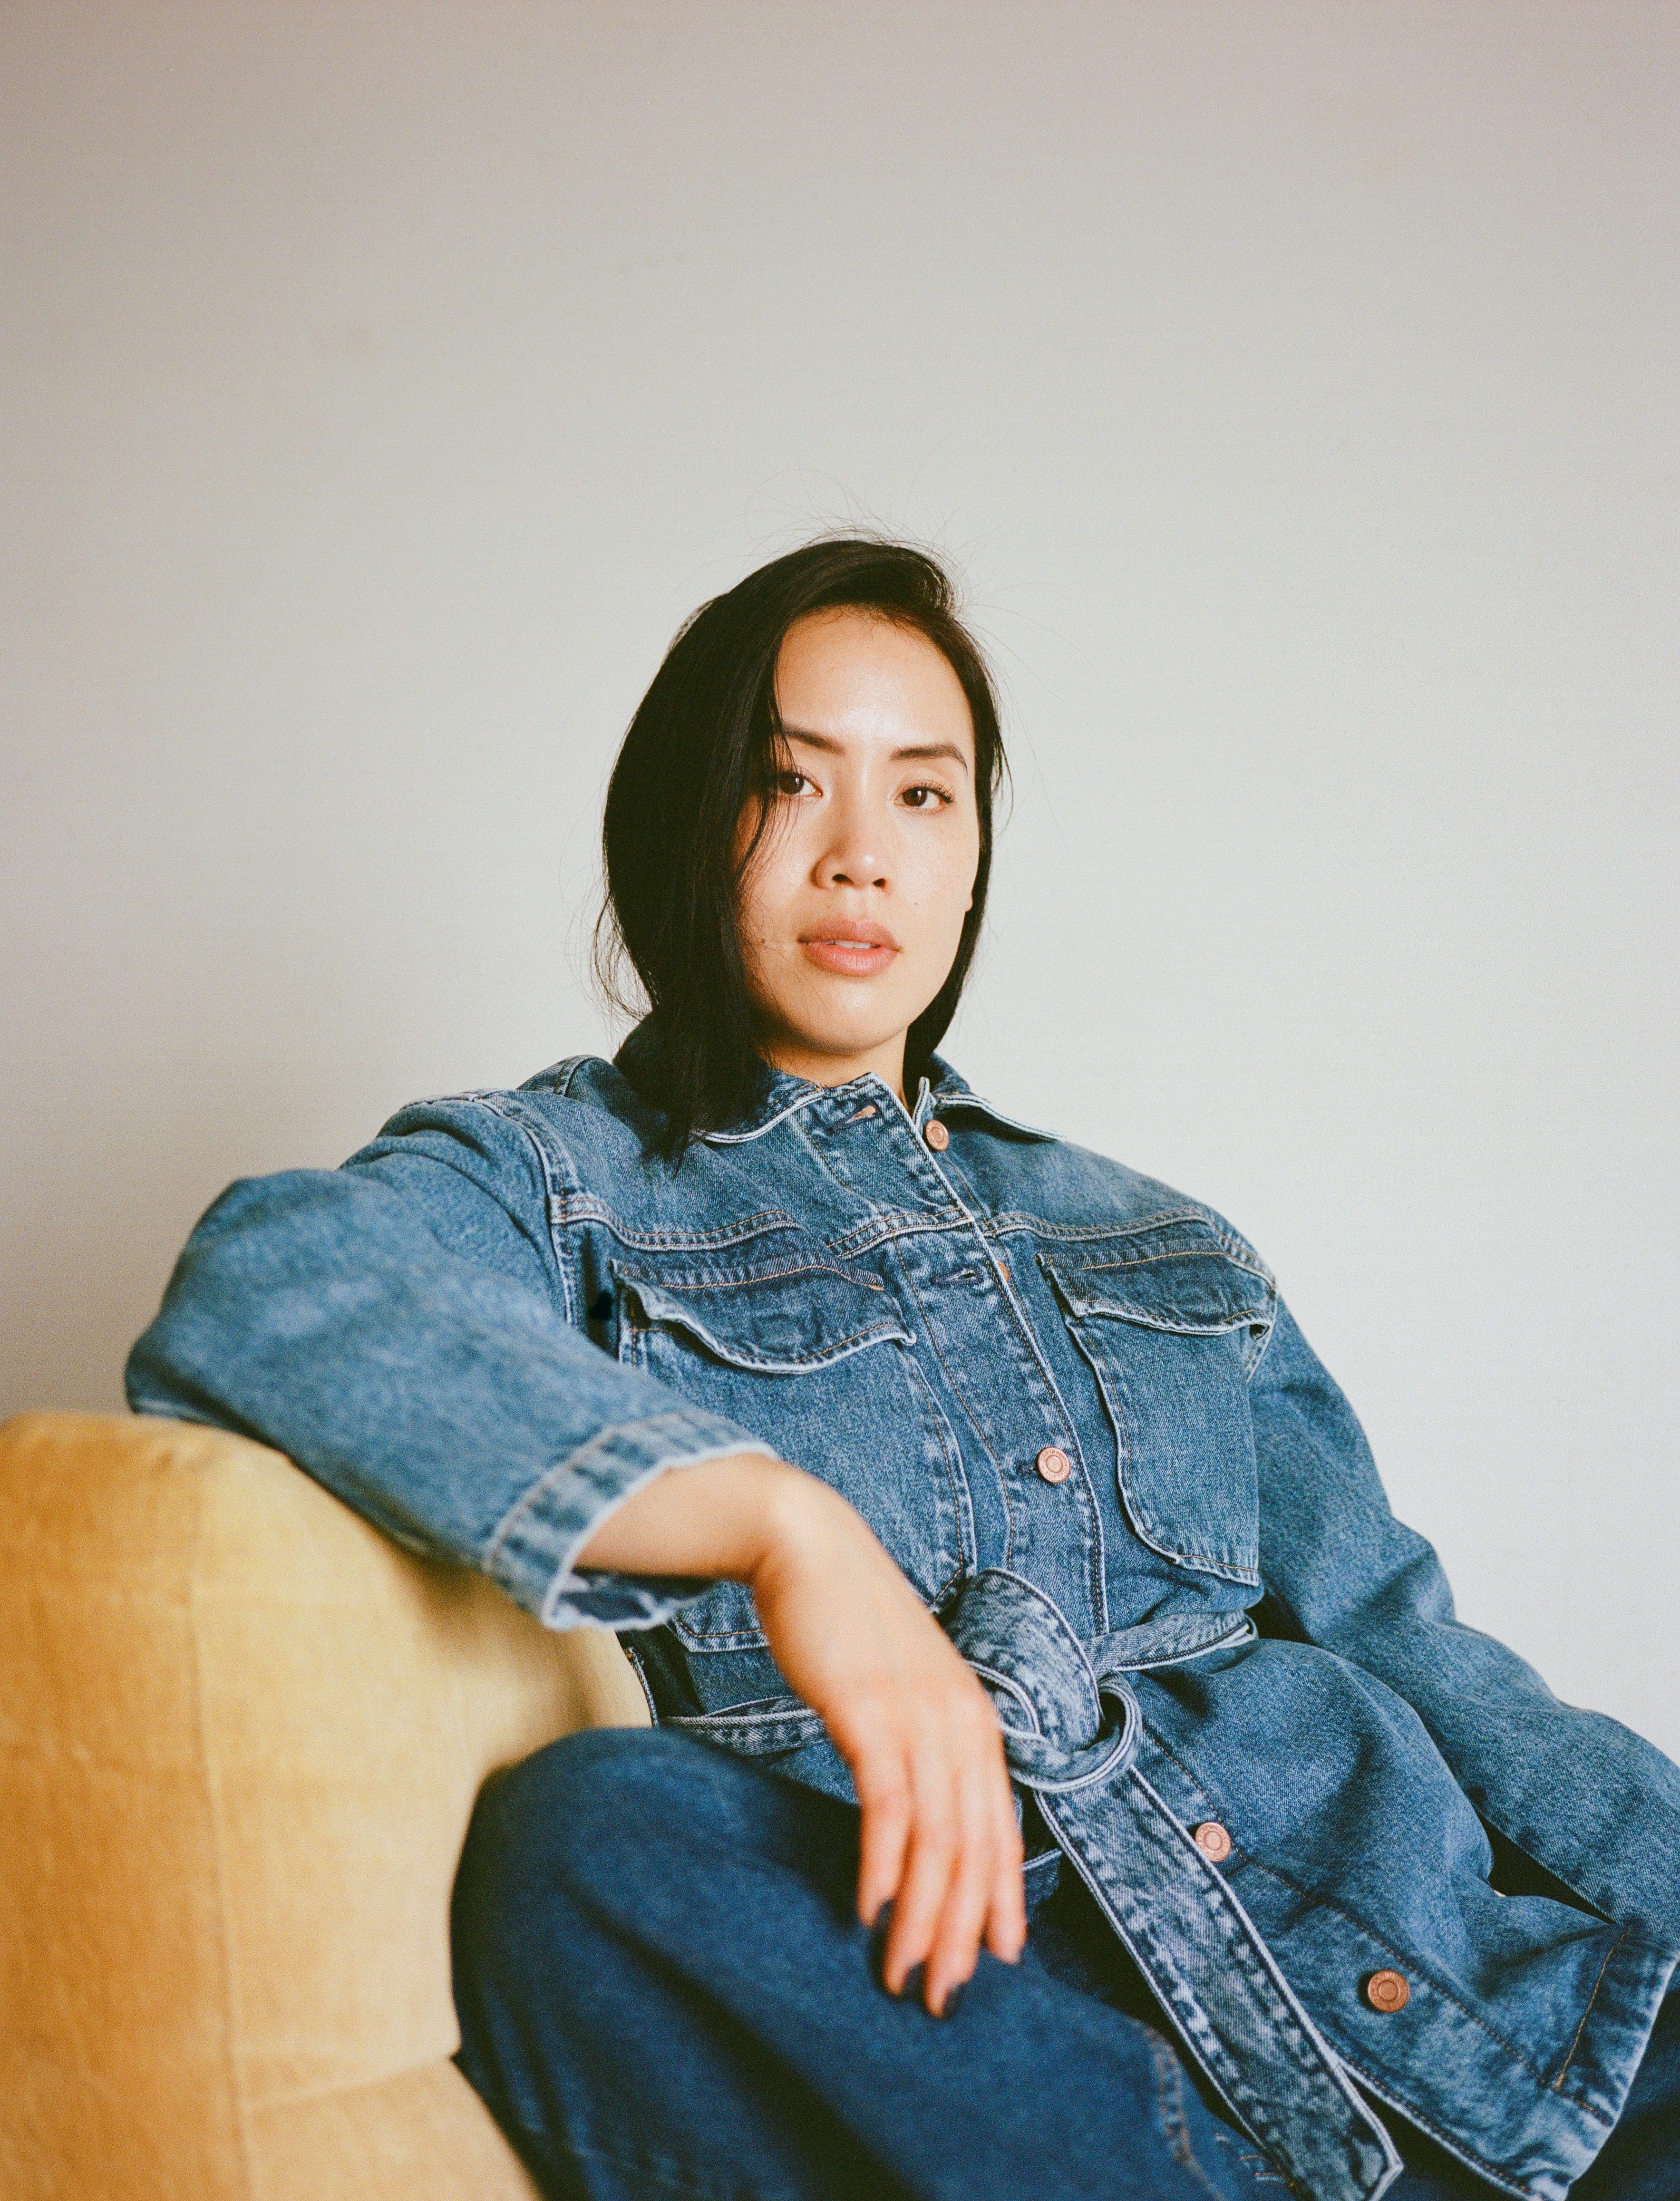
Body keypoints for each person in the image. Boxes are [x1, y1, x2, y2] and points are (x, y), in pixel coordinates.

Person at [127, 538, 1678, 2201]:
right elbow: (274, 1283)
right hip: (1035, 2066)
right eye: (790, 784)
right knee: (584, 1843)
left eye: (924, 798)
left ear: (972, 862)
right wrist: (783, 1531)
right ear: (686, 821)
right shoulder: (552, 1176)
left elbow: (1411, 1647)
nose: (862, 857)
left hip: (1492, 2030)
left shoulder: (1166, 1242)